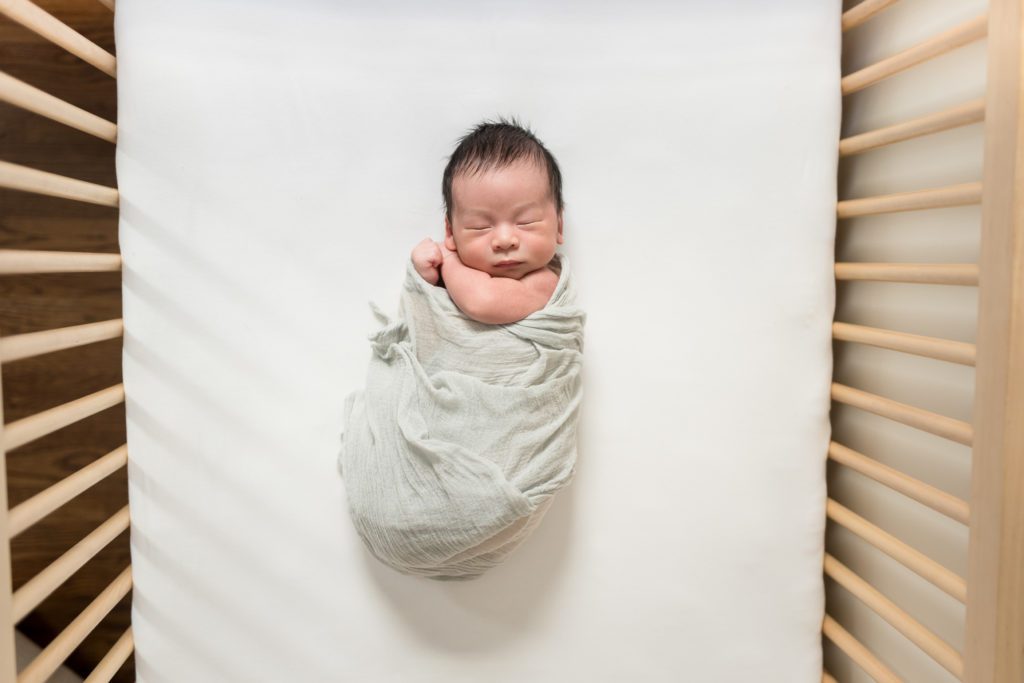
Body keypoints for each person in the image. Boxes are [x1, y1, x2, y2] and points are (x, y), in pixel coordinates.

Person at [409, 115, 565, 325]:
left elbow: (482, 301)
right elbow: (425, 314)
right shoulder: (453, 279)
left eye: (526, 221)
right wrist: (426, 279)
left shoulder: (547, 282)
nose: (504, 240)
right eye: (480, 226)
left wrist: (448, 258)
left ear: (559, 225)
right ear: (451, 233)